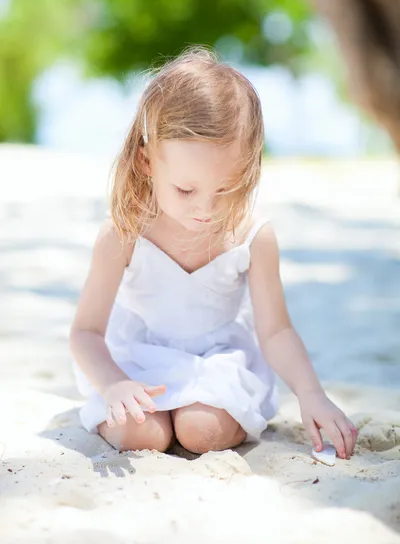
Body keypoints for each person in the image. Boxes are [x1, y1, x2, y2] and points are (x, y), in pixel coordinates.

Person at [69, 46, 358, 457]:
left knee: (200, 431)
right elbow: (85, 333)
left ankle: (191, 413)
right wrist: (113, 383)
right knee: (142, 436)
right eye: (186, 190)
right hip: (136, 360)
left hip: (217, 361)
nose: (206, 209)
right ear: (147, 162)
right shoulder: (123, 236)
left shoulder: (253, 237)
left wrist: (312, 395)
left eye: (226, 190)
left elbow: (275, 331)